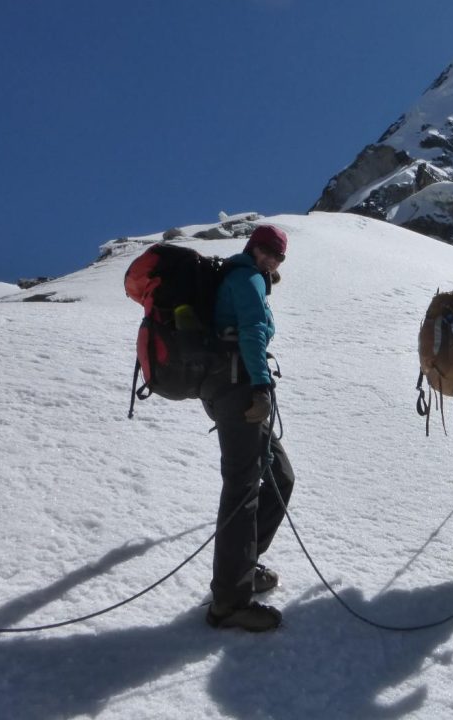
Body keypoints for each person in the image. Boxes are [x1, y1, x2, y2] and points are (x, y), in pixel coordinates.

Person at [200, 224, 295, 632]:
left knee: (278, 477)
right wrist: (261, 386)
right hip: (239, 389)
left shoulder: (241, 276)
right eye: (267, 252)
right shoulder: (247, 277)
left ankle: (243, 566)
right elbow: (254, 332)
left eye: (279, 256)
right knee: (243, 487)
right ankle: (229, 601)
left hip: (229, 387)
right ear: (252, 249)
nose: (272, 260)